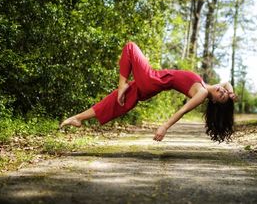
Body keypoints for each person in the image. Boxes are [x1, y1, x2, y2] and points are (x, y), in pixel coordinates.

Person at [60, 42, 236, 142]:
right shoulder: (207, 85)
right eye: (223, 91)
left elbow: (182, 111)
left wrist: (164, 127)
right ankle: (78, 118)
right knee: (116, 101)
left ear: (213, 101)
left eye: (221, 95)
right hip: (152, 84)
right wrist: (231, 93)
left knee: (130, 47)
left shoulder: (203, 93)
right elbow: (227, 82)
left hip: (152, 80)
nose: (222, 90)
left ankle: (123, 84)